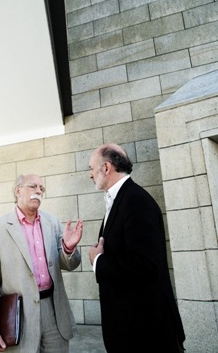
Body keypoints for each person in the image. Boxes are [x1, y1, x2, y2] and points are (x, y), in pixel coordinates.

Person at [88, 143, 185, 353]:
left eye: (91, 168)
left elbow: (145, 265)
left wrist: (98, 261)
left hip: (145, 333)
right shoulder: (122, 198)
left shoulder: (136, 201)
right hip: (131, 329)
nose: (90, 175)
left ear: (106, 168)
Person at [0, 173, 83, 352]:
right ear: (18, 191)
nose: (38, 191)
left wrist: (68, 248)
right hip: (20, 316)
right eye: (33, 186)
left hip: (54, 312)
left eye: (42, 188)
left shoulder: (53, 222)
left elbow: (70, 264)